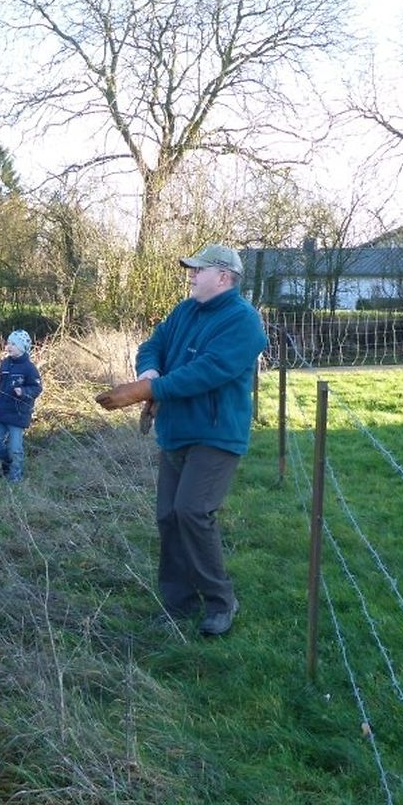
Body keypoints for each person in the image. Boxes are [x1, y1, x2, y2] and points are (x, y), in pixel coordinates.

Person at [95, 244, 268, 637]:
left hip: (216, 434)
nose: (191, 275)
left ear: (223, 277)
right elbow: (152, 345)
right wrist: (150, 373)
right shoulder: (184, 310)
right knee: (169, 518)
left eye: (198, 270)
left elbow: (207, 371)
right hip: (175, 431)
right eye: (191, 269)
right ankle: (179, 603)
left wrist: (143, 391)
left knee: (192, 511)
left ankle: (221, 601)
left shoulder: (243, 321)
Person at [0, 329, 43, 482]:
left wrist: (23, 391)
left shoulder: (29, 368)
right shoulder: (5, 363)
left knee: (15, 448)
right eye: (8, 343)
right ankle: (7, 463)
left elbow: (37, 388)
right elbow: (0, 385)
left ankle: (15, 476)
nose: (8, 347)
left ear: (22, 347)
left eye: (13, 344)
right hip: (1, 412)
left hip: (18, 414)